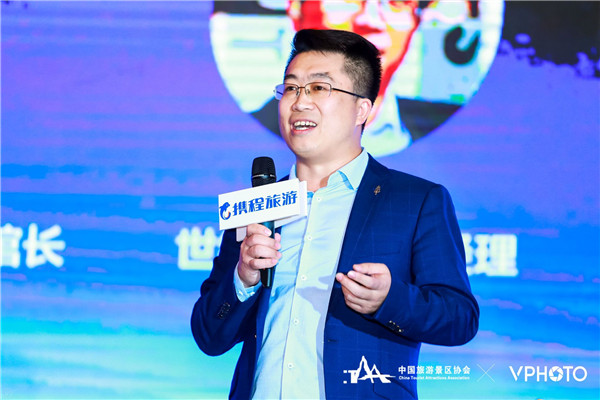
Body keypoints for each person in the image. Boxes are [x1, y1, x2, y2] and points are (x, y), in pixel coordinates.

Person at [191, 29, 479, 399]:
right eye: (291, 88)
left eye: (318, 88)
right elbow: (209, 335)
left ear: (363, 109)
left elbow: (460, 318)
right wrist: (243, 279)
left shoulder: (417, 201)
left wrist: (390, 299)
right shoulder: (257, 206)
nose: (300, 102)